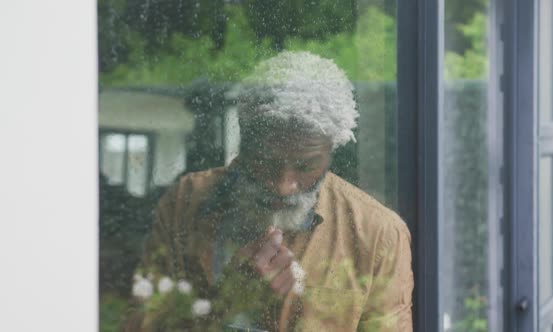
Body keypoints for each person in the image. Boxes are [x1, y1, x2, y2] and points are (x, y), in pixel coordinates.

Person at [125, 51, 413, 331]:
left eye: (305, 165)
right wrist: (227, 303)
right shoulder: (186, 200)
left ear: (331, 151)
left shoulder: (378, 235)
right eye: (267, 160)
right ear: (244, 138)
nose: (283, 185)